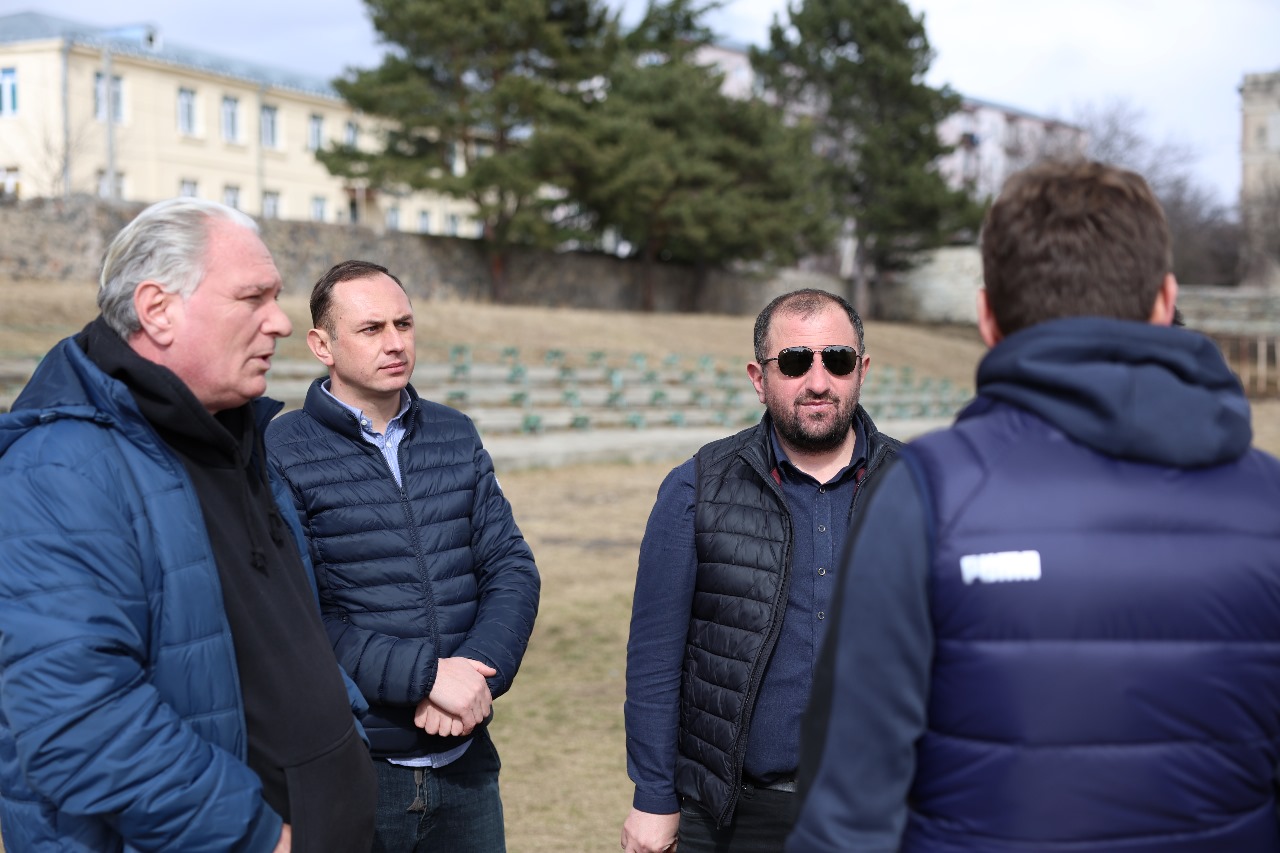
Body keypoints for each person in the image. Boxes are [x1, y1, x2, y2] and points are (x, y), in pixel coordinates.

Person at [789, 160, 1280, 852]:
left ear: (987, 315)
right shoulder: (1269, 504)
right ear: (1166, 300)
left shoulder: (928, 497)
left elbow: (846, 816)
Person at [0, 198, 377, 852]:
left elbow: (287, 629)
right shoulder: (59, 470)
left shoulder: (235, 438)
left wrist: (346, 736)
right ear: (157, 309)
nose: (281, 322)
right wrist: (261, 836)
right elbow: (81, 724)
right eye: (252, 298)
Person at [265, 260, 540, 853]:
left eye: (404, 324)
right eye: (371, 329)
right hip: (356, 765)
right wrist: (427, 677)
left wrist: (474, 672)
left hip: (466, 760)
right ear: (322, 345)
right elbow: (293, 615)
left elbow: (510, 568)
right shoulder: (279, 451)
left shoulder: (454, 433)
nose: (395, 342)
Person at [621, 288, 902, 853]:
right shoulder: (696, 487)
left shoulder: (922, 488)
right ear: (758, 377)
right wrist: (653, 797)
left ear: (862, 370)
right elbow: (655, 660)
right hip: (734, 819)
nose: (818, 381)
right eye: (795, 362)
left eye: (838, 360)